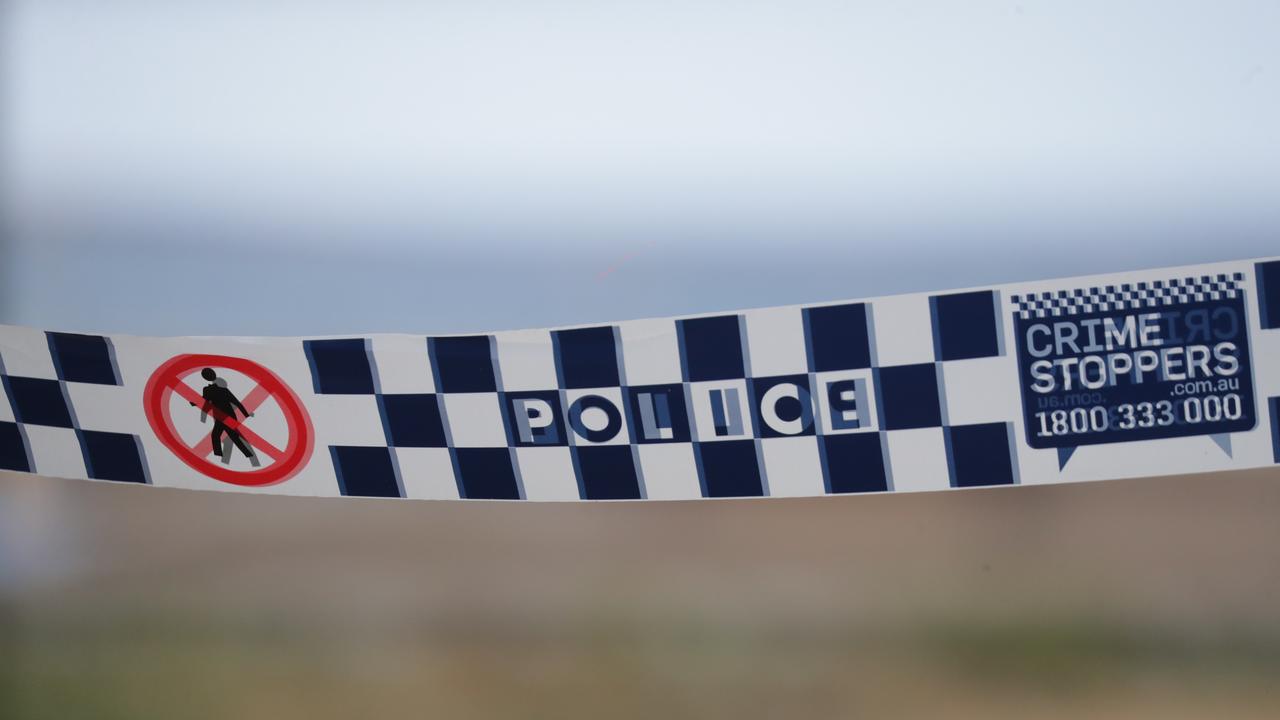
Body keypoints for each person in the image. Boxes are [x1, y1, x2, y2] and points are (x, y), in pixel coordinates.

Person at [194, 368, 260, 467]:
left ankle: (224, 455)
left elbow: (203, 402)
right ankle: (246, 454)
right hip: (225, 416)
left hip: (223, 417)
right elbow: (236, 403)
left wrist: (194, 403)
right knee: (228, 436)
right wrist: (246, 414)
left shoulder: (208, 390)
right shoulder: (221, 390)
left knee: (221, 436)